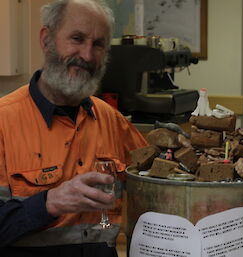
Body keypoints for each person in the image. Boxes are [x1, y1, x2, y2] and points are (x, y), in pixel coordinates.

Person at [0, 0, 147, 256]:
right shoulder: (4, 121)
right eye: (77, 39)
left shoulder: (111, 119)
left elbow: (153, 185)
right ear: (46, 40)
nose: (87, 56)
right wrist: (48, 203)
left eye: (98, 44)